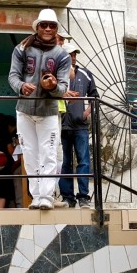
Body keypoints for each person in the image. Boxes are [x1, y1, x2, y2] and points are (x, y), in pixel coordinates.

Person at [8, 8, 71, 210]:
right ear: (37, 27)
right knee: (29, 154)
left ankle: (47, 196)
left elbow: (63, 88)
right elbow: (13, 76)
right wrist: (21, 86)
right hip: (24, 110)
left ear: (56, 29)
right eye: (43, 24)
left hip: (48, 111)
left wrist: (52, 87)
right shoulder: (22, 49)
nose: (47, 28)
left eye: (52, 25)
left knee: (49, 153)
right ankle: (36, 196)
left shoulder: (62, 55)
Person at [58, 43, 98, 209]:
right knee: (65, 162)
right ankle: (68, 197)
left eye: (74, 54)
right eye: (69, 54)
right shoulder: (58, 75)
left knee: (83, 161)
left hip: (80, 126)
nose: (73, 57)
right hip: (62, 125)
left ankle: (83, 197)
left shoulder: (85, 74)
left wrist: (87, 112)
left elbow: (95, 96)